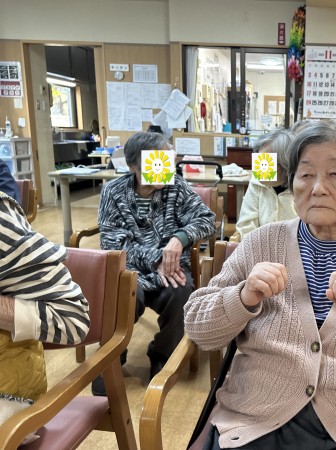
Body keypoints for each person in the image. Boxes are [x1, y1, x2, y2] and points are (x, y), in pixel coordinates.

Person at [184, 121, 336, 449]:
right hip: (255, 419)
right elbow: (200, 331)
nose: (317, 188)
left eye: (334, 174)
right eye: (305, 174)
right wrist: (242, 297)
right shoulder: (261, 243)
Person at [96, 131, 215, 395]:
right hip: (130, 270)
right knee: (123, 296)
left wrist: (179, 239)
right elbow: (113, 244)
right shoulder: (113, 192)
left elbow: (206, 219)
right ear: (133, 166)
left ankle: (162, 354)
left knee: (181, 292)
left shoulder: (176, 187)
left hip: (170, 269)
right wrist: (157, 259)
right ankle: (112, 357)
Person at [0, 191, 89, 443]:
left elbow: (74, 319)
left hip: (10, 395)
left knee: (171, 293)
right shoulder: (118, 191)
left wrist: (173, 244)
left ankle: (156, 355)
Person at [236, 127, 296, 239]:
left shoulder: (299, 188)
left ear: (285, 164)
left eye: (266, 162)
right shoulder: (256, 184)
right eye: (258, 159)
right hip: (258, 246)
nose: (259, 168)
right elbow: (246, 225)